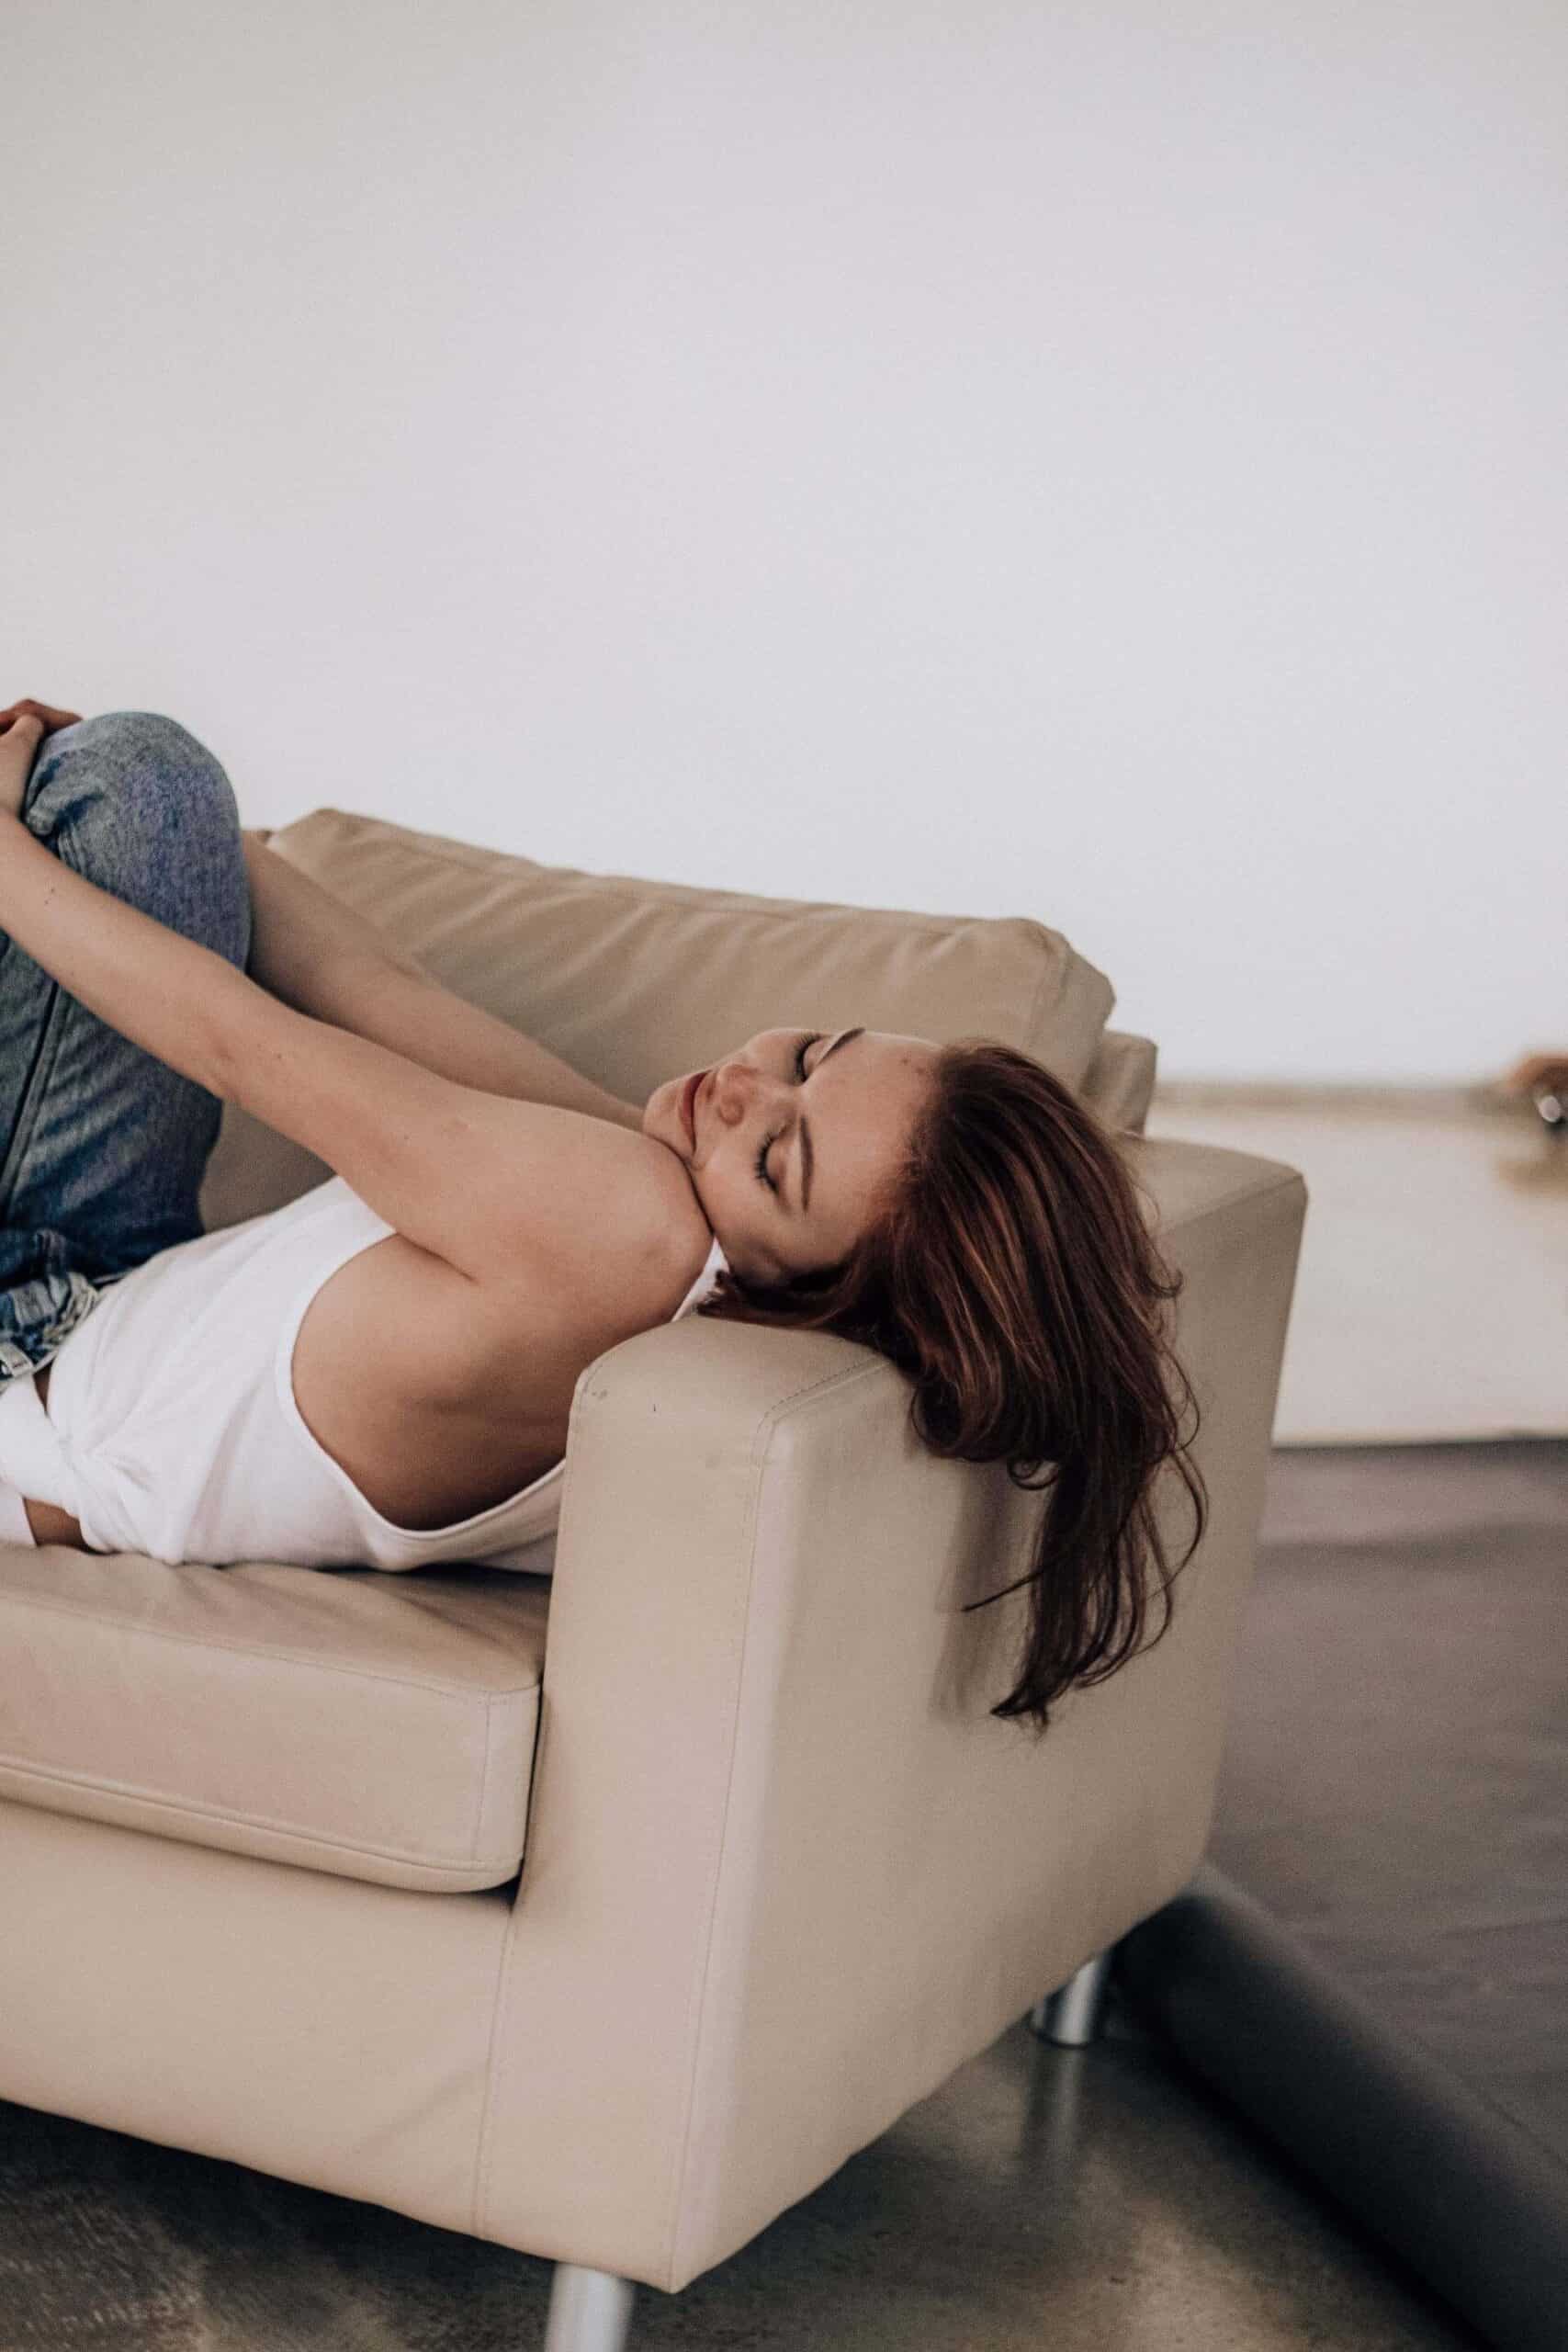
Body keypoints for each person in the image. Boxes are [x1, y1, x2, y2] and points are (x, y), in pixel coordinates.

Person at [0, 701, 1206, 1735]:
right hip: (93, 1288)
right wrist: (185, 824)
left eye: (780, 1154)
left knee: (134, 779)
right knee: (138, 782)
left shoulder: (612, 1233)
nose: (742, 1088)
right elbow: (382, 993)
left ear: (823, 1289)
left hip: (24, 1397)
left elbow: (241, 1041)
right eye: (808, 1052)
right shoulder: (674, 1227)